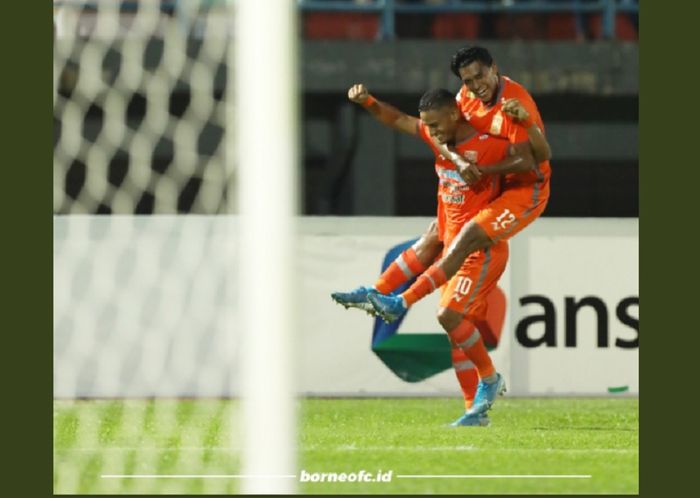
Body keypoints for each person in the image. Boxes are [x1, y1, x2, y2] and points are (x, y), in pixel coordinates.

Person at [333, 84, 537, 425]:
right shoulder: (435, 135)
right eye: (428, 125)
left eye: (437, 124)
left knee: (449, 316)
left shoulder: (489, 144)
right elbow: (395, 118)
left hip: (479, 251)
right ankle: (476, 409)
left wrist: (522, 132)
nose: (432, 130)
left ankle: (488, 379)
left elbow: (528, 161)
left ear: (455, 114)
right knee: (454, 321)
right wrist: (367, 101)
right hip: (449, 238)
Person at [369, 45, 552, 340]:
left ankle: (400, 301)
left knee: (467, 238)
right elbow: (443, 133)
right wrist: (459, 161)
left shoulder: (516, 103)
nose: (476, 86)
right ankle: (378, 293)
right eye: (468, 81)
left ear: (494, 68)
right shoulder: (464, 97)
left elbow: (532, 159)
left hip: (525, 189)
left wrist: (480, 170)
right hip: (490, 183)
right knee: (436, 236)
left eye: (480, 76)